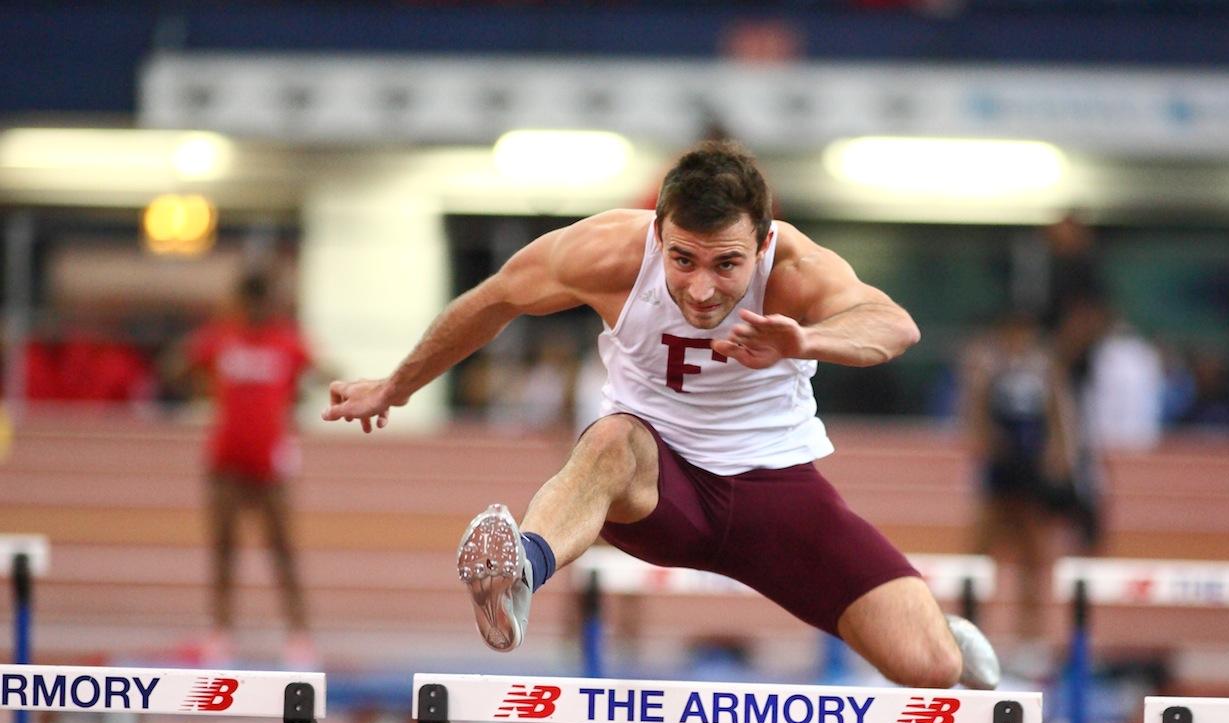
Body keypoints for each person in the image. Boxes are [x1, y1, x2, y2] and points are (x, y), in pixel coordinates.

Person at [324, 141, 998, 690]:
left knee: (928, 668)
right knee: (612, 438)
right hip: (660, 486)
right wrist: (397, 386)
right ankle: (519, 570)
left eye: (726, 265)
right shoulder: (612, 254)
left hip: (777, 495)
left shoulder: (793, 267)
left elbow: (894, 326)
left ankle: (943, 638)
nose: (701, 288)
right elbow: (495, 299)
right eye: (682, 259)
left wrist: (806, 339)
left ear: (762, 245)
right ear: (657, 234)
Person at [186, 273, 318, 667]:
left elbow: (319, 369)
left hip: (270, 464)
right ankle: (221, 632)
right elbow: (181, 363)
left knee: (283, 552)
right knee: (224, 550)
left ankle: (298, 635)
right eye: (252, 301)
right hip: (225, 461)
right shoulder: (220, 338)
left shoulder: (288, 341)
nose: (258, 310)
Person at [963, 312, 1074, 680]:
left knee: (1033, 556)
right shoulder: (987, 359)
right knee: (979, 554)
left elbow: (1058, 411)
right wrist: (982, 450)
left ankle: (1030, 643)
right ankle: (970, 638)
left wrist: (1058, 457)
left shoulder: (1045, 364)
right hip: (999, 467)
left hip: (1031, 468)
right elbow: (975, 410)